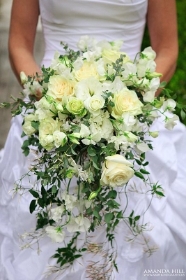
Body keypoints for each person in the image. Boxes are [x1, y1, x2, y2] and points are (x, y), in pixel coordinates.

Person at [0, 0, 186, 279]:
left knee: (150, 234)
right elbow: (19, 43)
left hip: (131, 108)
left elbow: (168, 48)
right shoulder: (50, 104)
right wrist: (51, 102)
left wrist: (131, 99)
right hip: (49, 113)